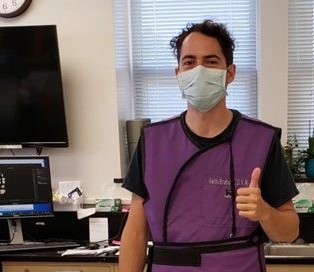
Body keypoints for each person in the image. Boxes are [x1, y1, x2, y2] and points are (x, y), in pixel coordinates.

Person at [119, 20, 299, 272]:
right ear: (178, 73)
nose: (199, 70)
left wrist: (264, 212)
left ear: (230, 73)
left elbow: (290, 232)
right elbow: (136, 234)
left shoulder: (260, 141)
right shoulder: (152, 141)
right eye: (189, 62)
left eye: (211, 61)